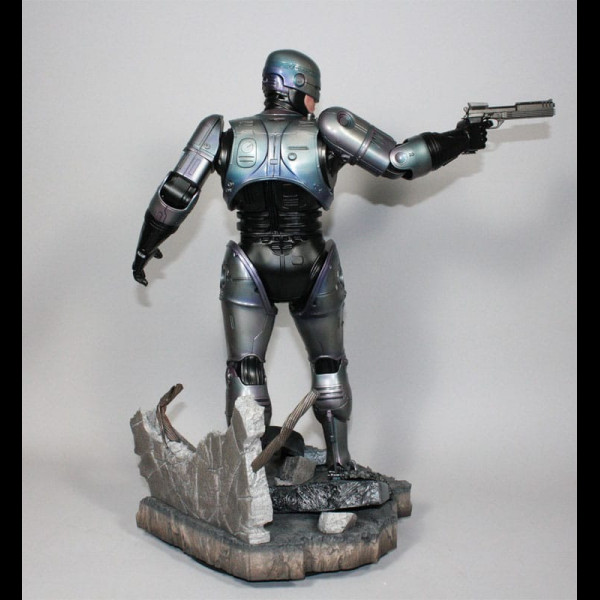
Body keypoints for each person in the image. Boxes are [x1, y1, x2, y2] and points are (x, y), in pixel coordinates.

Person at [132, 49, 487, 473]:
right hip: (312, 264)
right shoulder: (328, 129)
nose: (315, 104)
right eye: (312, 95)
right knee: (328, 364)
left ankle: (250, 468)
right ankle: (338, 461)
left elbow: (176, 193)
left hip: (251, 264)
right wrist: (461, 139)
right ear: (300, 87)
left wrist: (145, 247)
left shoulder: (222, 134)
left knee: (246, 369)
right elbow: (399, 161)